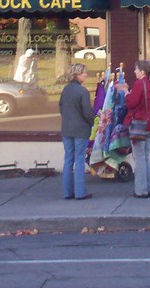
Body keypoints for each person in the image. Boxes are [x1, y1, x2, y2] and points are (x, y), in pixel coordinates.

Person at [58, 62, 95, 200]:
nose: (86, 74)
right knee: (79, 160)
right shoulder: (82, 91)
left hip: (67, 128)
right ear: (78, 74)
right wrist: (92, 122)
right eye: (84, 72)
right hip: (81, 129)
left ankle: (67, 192)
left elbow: (61, 108)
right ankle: (80, 192)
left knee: (68, 159)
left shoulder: (66, 89)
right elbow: (87, 112)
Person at [123, 59, 150, 198]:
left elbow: (131, 103)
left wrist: (126, 93)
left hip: (139, 123)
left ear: (142, 71)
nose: (134, 71)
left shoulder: (139, 84)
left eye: (136, 69)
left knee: (139, 158)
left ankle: (141, 190)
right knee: (146, 156)